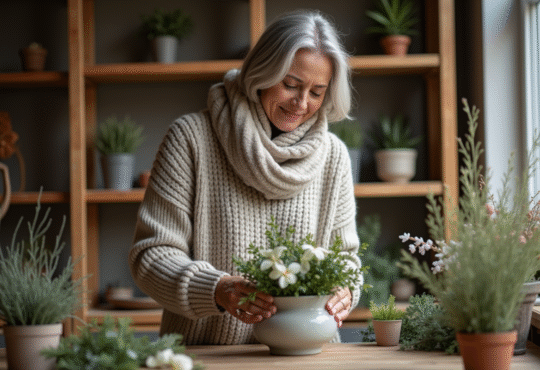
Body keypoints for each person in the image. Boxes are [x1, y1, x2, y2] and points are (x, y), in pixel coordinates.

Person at [129, 10, 363, 345]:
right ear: (262, 73)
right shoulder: (191, 139)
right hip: (205, 356)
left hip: (306, 358)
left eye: (317, 91)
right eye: (291, 85)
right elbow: (150, 256)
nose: (301, 103)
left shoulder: (333, 155)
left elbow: (347, 260)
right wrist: (217, 289)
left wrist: (346, 290)